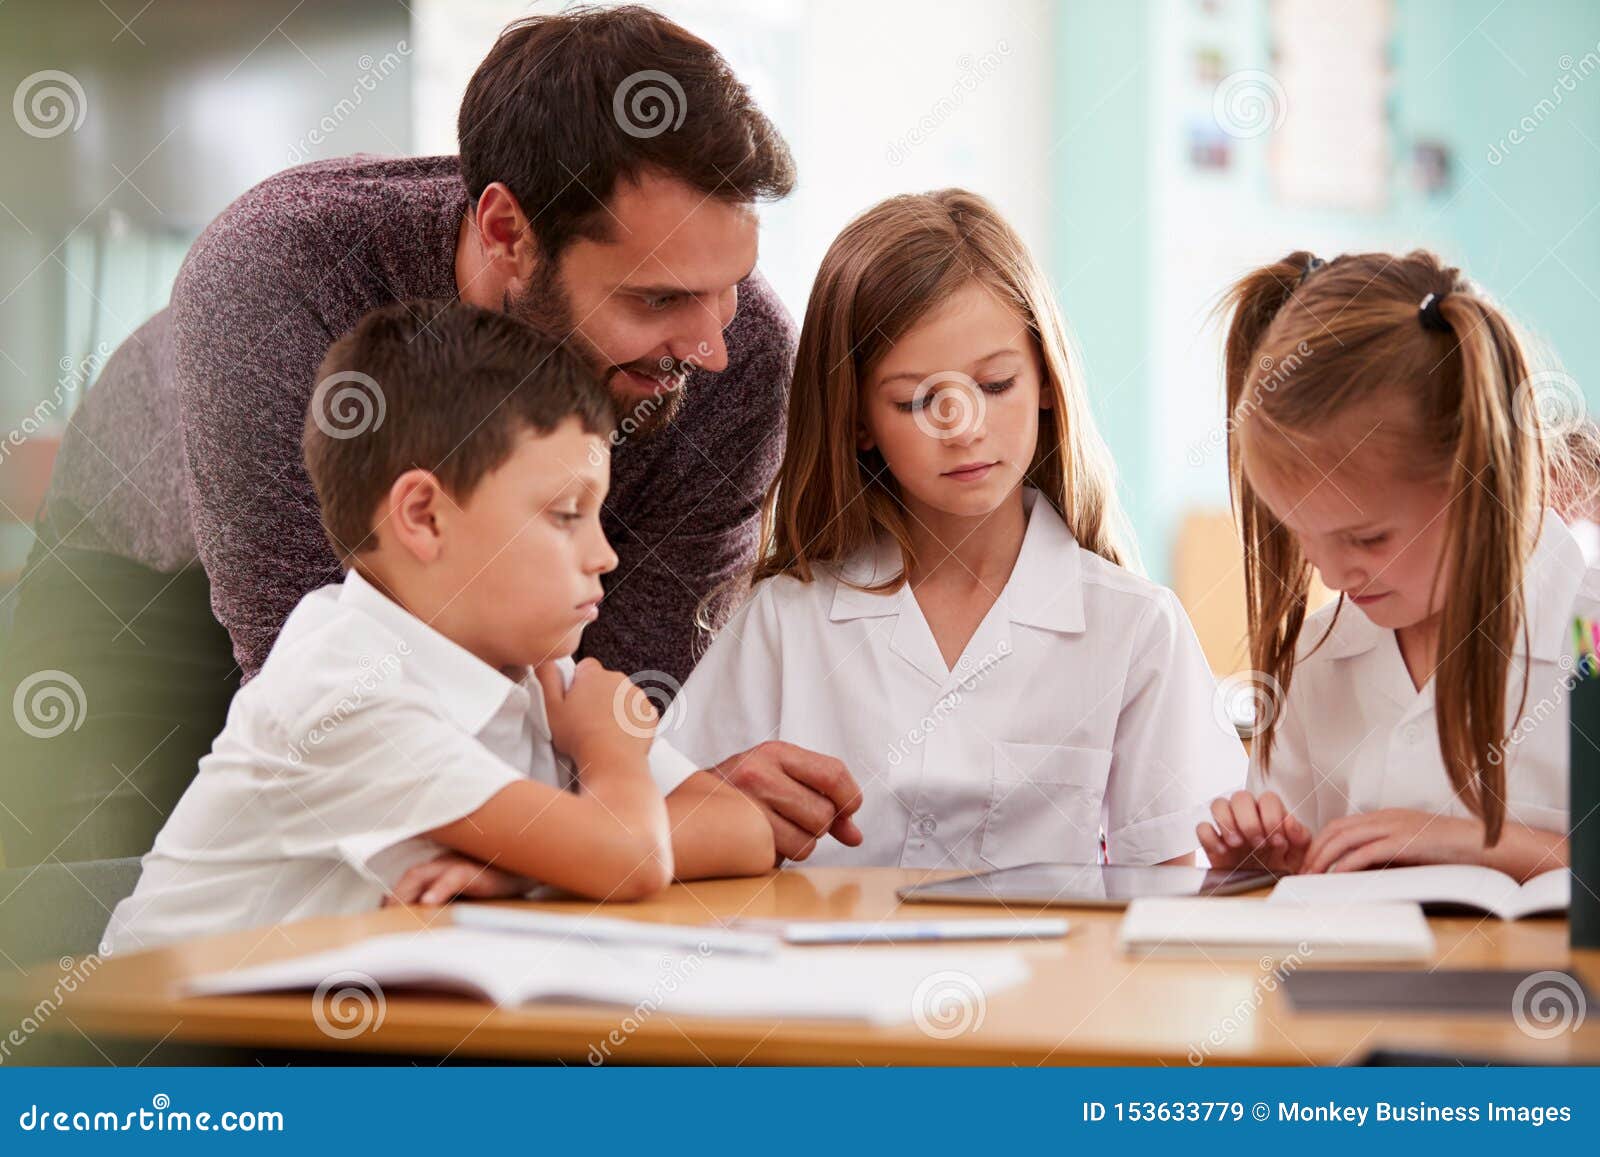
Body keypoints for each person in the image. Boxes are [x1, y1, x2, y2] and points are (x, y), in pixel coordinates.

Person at [2, 6, 809, 866]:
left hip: (443, 623)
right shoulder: (280, 271)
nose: (711, 348)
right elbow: (327, 688)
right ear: (506, 234)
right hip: (158, 584)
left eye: (729, 286)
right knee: (76, 892)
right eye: (657, 300)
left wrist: (612, 808)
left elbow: (599, 720)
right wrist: (580, 833)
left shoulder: (744, 356)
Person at [103, 301, 773, 953]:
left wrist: (529, 867)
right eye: (568, 513)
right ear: (424, 516)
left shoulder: (532, 672)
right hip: (158, 1048)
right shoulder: (344, 687)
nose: (606, 554)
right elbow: (631, 855)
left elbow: (744, 829)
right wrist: (611, 758)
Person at [660, 190, 1246, 870]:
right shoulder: (784, 620)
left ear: (1047, 381)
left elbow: (1178, 892)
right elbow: (663, 825)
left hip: (1052, 980)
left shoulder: (1137, 629)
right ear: (857, 420)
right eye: (916, 399)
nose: (964, 425)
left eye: (996, 384)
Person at [1197, 250, 1599, 881]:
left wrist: (1475, 843)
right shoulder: (1318, 655)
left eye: (1368, 539)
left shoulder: (1589, 635)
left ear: (1481, 478)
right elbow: (1312, 874)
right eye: (1304, 537)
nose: (1332, 577)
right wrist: (1280, 863)